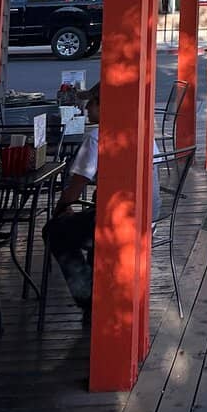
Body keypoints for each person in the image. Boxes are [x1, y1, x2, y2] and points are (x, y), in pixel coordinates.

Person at [43, 83, 160, 320]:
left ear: (105, 106)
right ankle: (97, 288)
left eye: (92, 102)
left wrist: (61, 209)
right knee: (83, 224)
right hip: (150, 216)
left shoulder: (98, 137)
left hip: (117, 224)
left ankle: (88, 297)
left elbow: (74, 189)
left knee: (54, 231)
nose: (86, 107)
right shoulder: (141, 130)